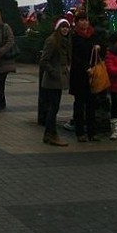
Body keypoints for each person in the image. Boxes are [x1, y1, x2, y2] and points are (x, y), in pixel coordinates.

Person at [69, 11, 101, 143]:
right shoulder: (74, 36)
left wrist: (99, 48)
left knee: (91, 104)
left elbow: (101, 52)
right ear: (77, 22)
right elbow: (73, 55)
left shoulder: (92, 35)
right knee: (79, 104)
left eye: (86, 20)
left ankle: (92, 132)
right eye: (81, 20)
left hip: (92, 74)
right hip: (79, 75)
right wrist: (85, 67)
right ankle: (80, 132)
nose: (84, 22)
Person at [39, 18, 71, 146]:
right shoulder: (52, 40)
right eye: (62, 27)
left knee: (55, 107)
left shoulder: (65, 41)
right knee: (53, 108)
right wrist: (53, 72)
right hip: (52, 81)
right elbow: (44, 60)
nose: (65, 29)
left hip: (59, 79)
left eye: (67, 27)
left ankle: (49, 134)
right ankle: (51, 134)